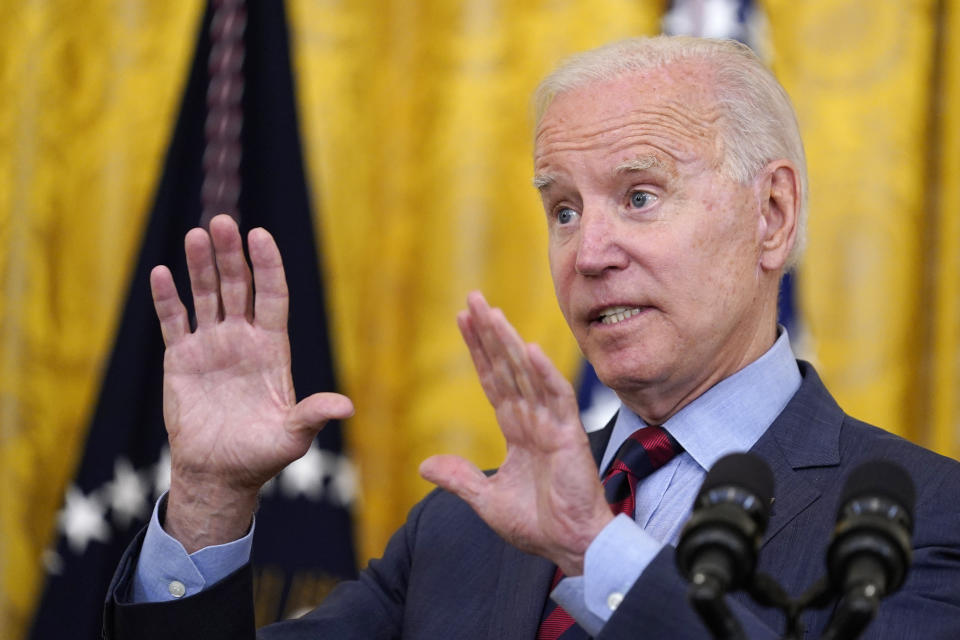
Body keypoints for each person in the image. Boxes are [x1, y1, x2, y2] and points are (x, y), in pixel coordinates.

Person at [103, 36, 960, 639]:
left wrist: (597, 555)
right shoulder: (461, 530)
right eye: (562, 209)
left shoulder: (920, 522)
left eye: (639, 196)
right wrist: (211, 499)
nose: (589, 254)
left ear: (772, 215)